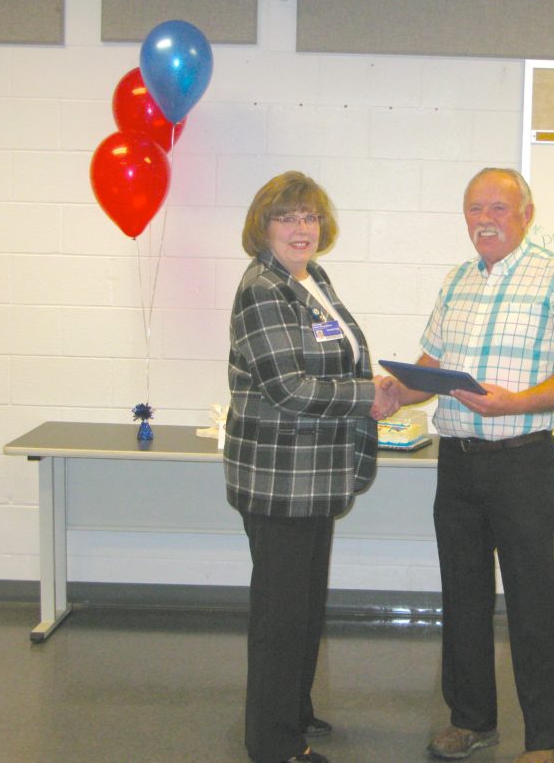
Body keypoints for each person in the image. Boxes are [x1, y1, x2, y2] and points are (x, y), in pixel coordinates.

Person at [384, 167, 554, 763]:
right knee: (463, 596)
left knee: (533, 600)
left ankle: (549, 740)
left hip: (521, 461)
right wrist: (396, 390)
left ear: (526, 215)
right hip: (457, 462)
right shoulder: (456, 281)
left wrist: (519, 402)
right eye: (474, 209)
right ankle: (472, 721)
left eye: (498, 208)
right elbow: (433, 365)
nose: (484, 219)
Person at [224, 171, 399, 763]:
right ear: (263, 225)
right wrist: (368, 396)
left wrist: (375, 384)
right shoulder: (262, 288)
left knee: (303, 607)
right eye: (288, 217)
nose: (302, 228)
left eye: (310, 217)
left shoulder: (310, 278)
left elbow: (335, 360)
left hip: (317, 473)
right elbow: (288, 388)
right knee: (280, 615)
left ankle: (293, 711)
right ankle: (273, 744)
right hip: (280, 478)